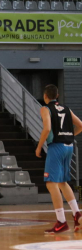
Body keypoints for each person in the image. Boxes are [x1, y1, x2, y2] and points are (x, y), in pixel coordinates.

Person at [36, 84, 82, 234]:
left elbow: (47, 128)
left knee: (51, 183)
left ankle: (61, 221)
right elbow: (81, 125)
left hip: (56, 147)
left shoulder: (45, 108)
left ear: (45, 96)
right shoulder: (67, 109)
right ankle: (77, 214)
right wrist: (69, 136)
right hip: (69, 147)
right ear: (57, 96)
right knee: (62, 182)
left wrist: (39, 146)